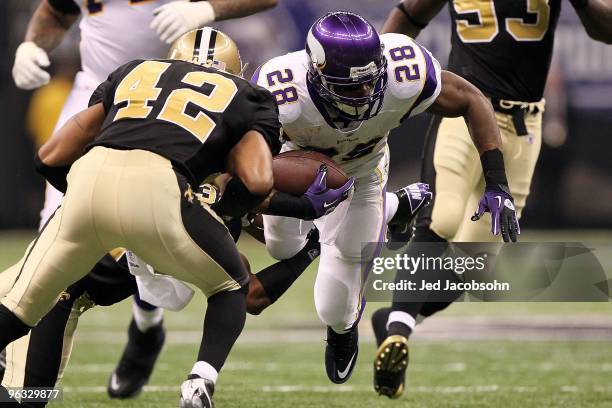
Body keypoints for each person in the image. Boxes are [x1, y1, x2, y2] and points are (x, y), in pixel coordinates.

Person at [0, 28, 352, 407]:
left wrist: (88, 198)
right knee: (227, 286)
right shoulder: (248, 100)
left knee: (19, 314)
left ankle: (132, 338)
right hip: (161, 207)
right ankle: (199, 379)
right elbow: (256, 184)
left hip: (91, 186)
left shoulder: (134, 72)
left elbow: (49, 158)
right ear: (237, 71)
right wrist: (297, 212)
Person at [254, 11, 519, 386]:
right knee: (280, 249)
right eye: (351, 87)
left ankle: (343, 330)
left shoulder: (403, 72)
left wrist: (496, 182)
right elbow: (250, 171)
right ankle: (395, 207)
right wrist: (292, 201)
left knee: (332, 304)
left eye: (370, 82)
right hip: (295, 171)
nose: (365, 95)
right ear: (316, 73)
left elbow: (472, 99)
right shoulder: (281, 92)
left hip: (363, 171)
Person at [371, 0, 612, 399]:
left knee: (476, 260)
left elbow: (605, 30)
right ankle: (399, 331)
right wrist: (376, 72)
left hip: (523, 124)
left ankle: (396, 319)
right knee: (442, 217)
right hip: (462, 111)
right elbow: (410, 15)